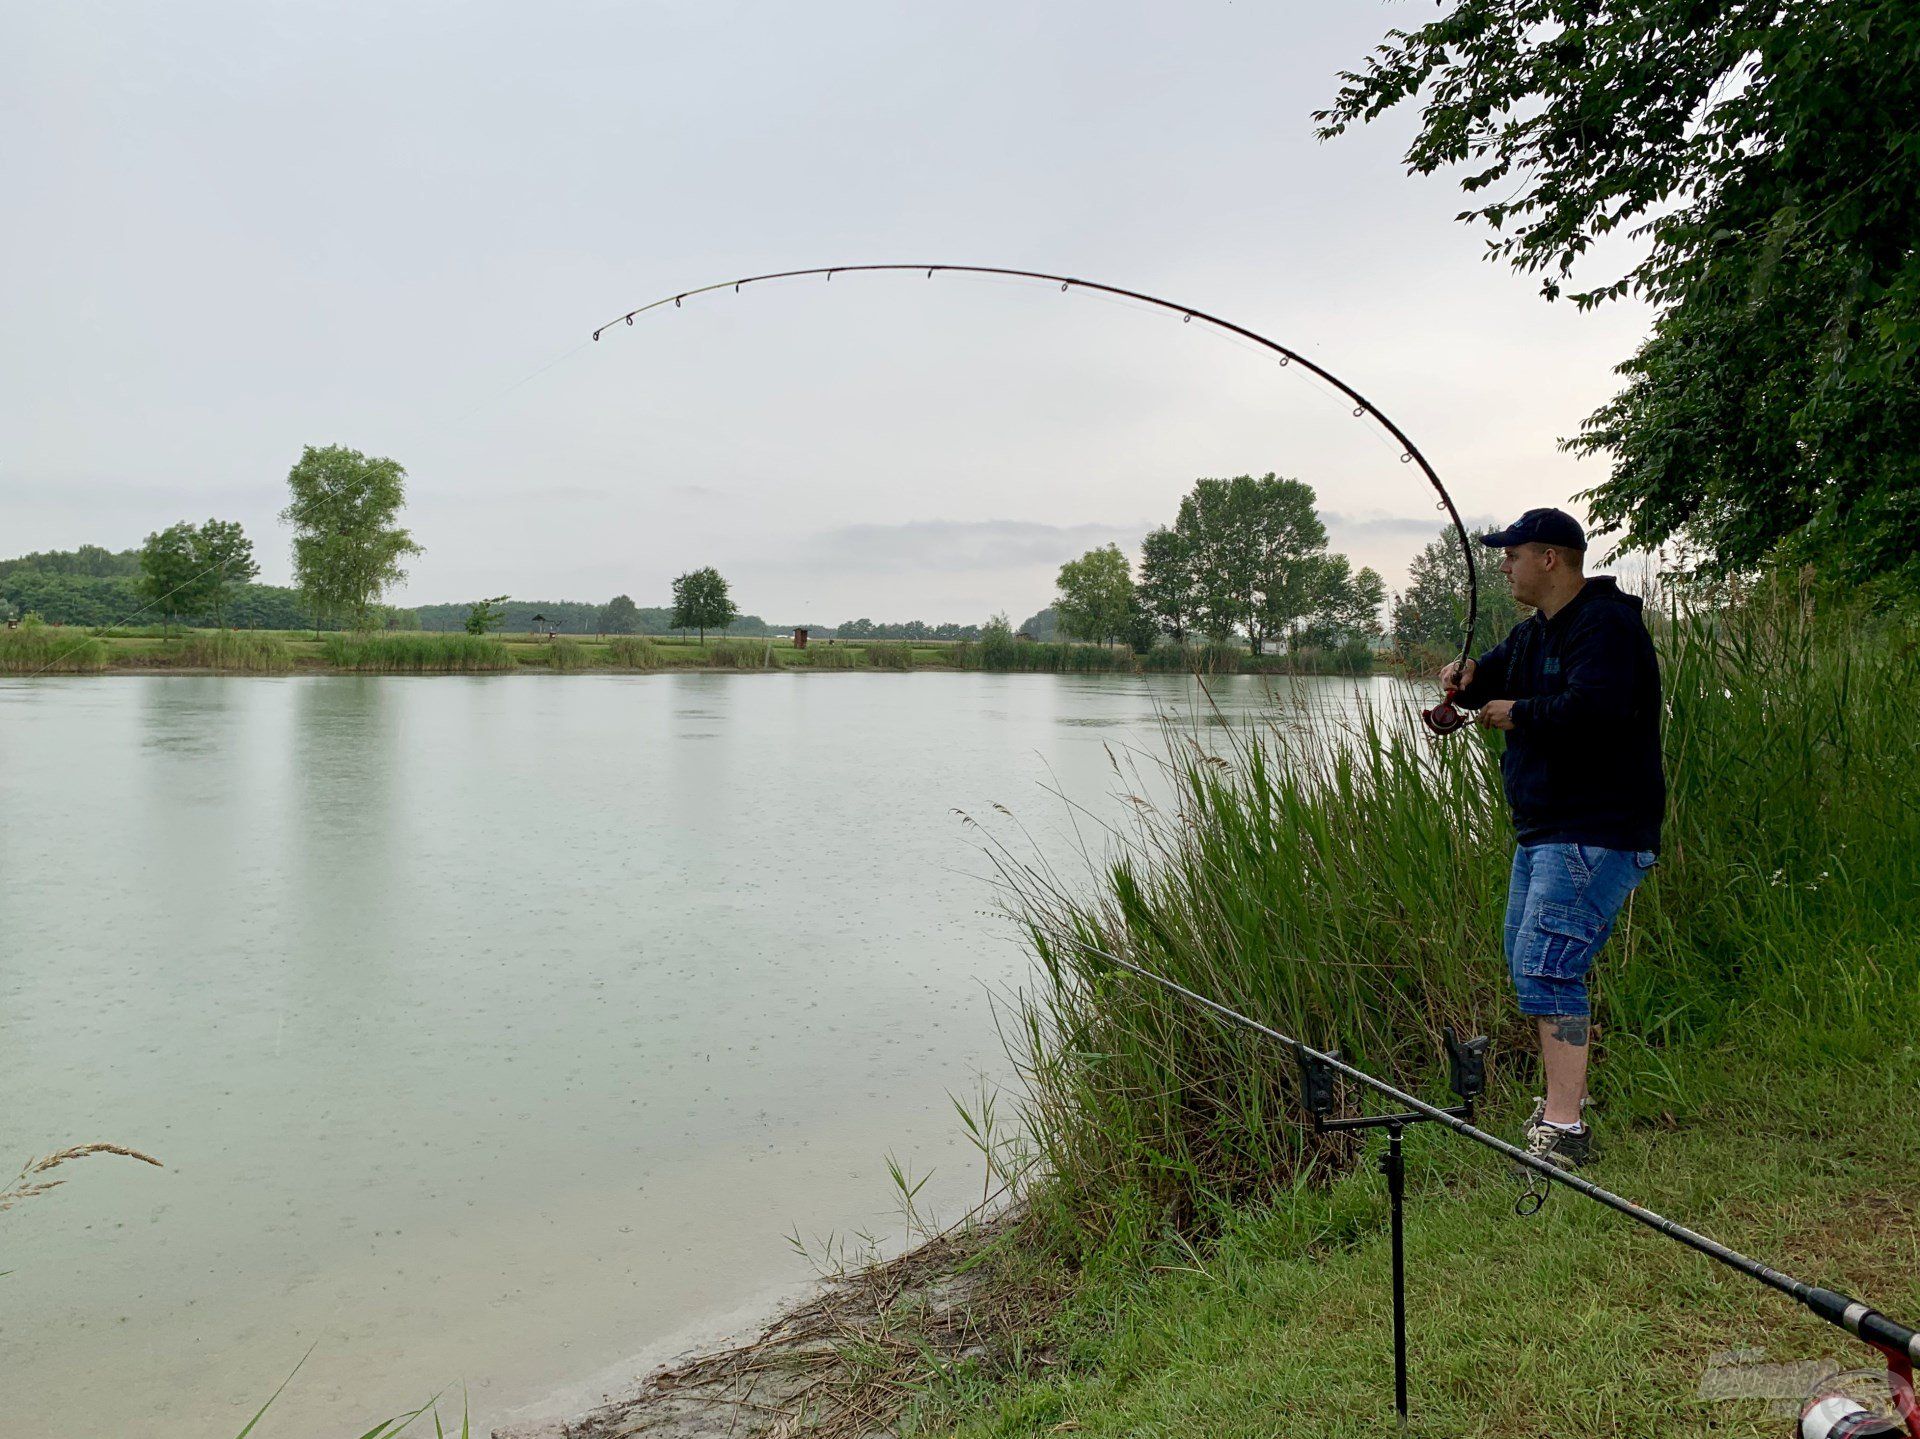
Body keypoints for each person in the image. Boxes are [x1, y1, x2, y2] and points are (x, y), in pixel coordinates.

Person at [1440, 507, 1666, 1170]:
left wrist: (1518, 713)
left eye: (1513, 553)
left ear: (1551, 558)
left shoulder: (1607, 625)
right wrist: (1468, 676)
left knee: (1548, 966)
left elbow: (1597, 708)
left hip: (1597, 830)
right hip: (1545, 833)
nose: (1504, 564)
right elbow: (1495, 672)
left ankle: (1563, 1131)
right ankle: (1567, 1108)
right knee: (1530, 962)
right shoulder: (1533, 633)